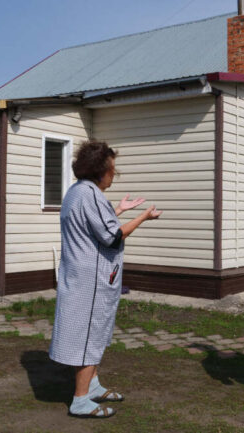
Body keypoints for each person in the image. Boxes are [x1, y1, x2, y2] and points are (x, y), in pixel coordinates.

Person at [48, 140, 162, 419]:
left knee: (93, 334)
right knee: (88, 337)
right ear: (100, 171)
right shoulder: (92, 195)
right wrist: (143, 217)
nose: (115, 173)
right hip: (91, 280)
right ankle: (80, 400)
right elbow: (112, 236)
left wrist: (119, 210)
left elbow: (94, 225)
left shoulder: (77, 192)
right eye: (112, 168)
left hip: (79, 275)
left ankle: (93, 385)